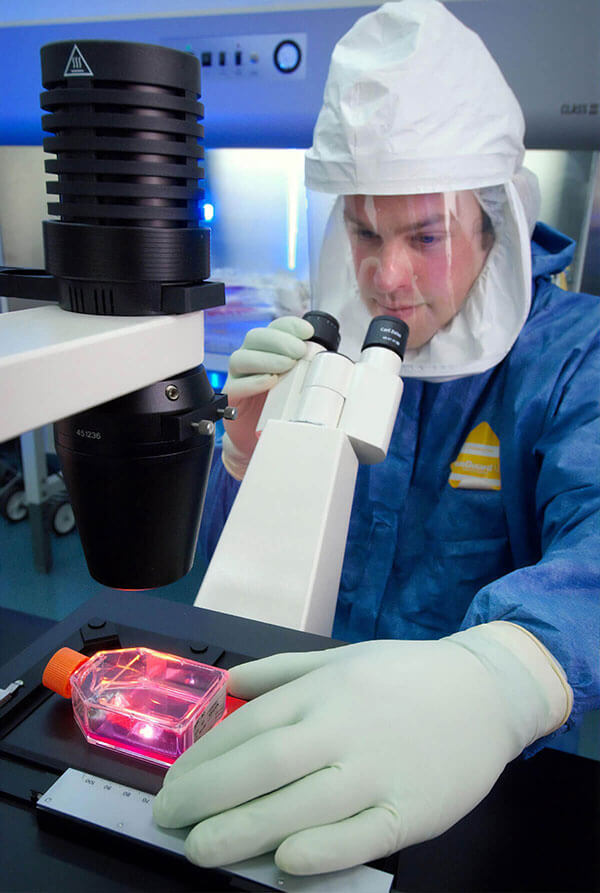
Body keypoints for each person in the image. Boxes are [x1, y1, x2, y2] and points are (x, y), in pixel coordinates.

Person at [153, 0, 600, 877]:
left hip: (478, 786)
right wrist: (244, 459)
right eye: (364, 231)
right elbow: (231, 580)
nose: (387, 277)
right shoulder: (328, 345)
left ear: (493, 220)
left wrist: (497, 678)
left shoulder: (572, 357)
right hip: (293, 732)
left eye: (425, 236)